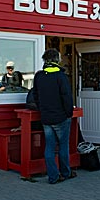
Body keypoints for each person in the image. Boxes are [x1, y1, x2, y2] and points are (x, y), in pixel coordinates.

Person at [32, 48, 75, 184]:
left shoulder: (39, 76)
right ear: (57, 60)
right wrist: (68, 113)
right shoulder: (61, 77)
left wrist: (42, 109)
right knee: (63, 146)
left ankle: (53, 176)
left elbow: (36, 96)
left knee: (49, 147)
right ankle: (65, 172)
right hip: (61, 117)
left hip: (46, 117)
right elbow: (67, 98)